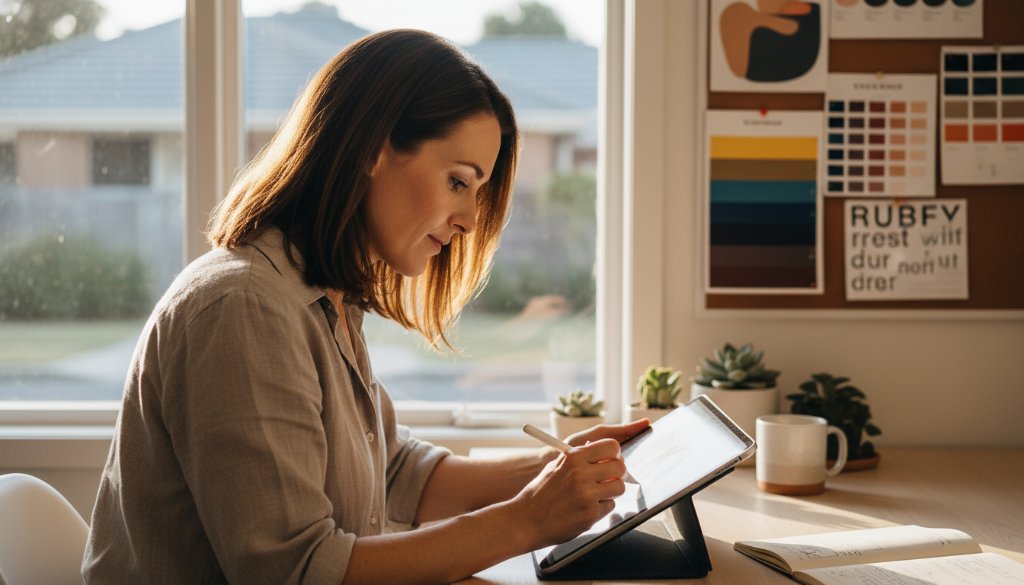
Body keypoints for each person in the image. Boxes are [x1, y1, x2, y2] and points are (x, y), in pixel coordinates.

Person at [82, 29, 649, 585]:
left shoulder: (323, 295)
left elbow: (396, 472)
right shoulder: (245, 310)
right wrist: (527, 520)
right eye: (458, 181)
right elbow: (295, 571)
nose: (472, 220)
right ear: (371, 149)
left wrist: (562, 471)